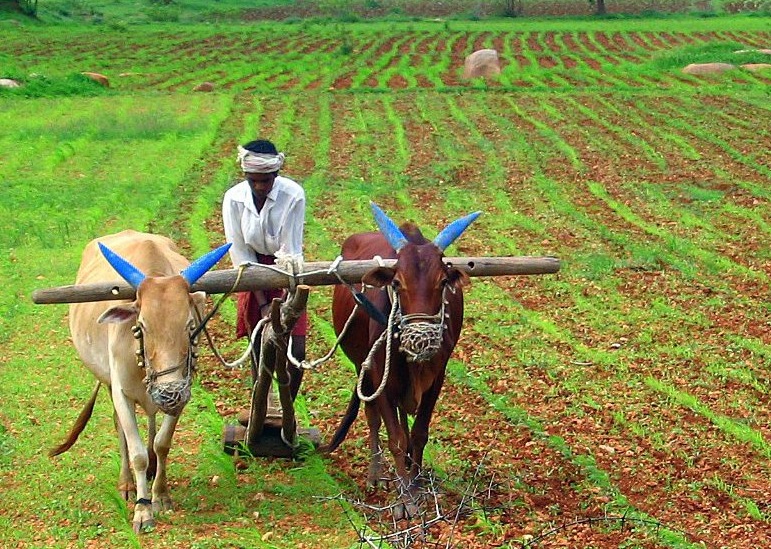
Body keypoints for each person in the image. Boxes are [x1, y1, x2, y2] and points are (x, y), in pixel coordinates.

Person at [222, 139, 307, 401]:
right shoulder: (234, 199)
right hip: (252, 272)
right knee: (260, 343)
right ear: (246, 176)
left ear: (276, 174)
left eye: (266, 180)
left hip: (286, 270)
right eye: (253, 180)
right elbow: (240, 253)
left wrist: (286, 304)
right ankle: (261, 403)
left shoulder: (293, 195)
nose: (259, 186)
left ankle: (287, 408)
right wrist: (261, 304)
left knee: (297, 348)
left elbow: (290, 250)